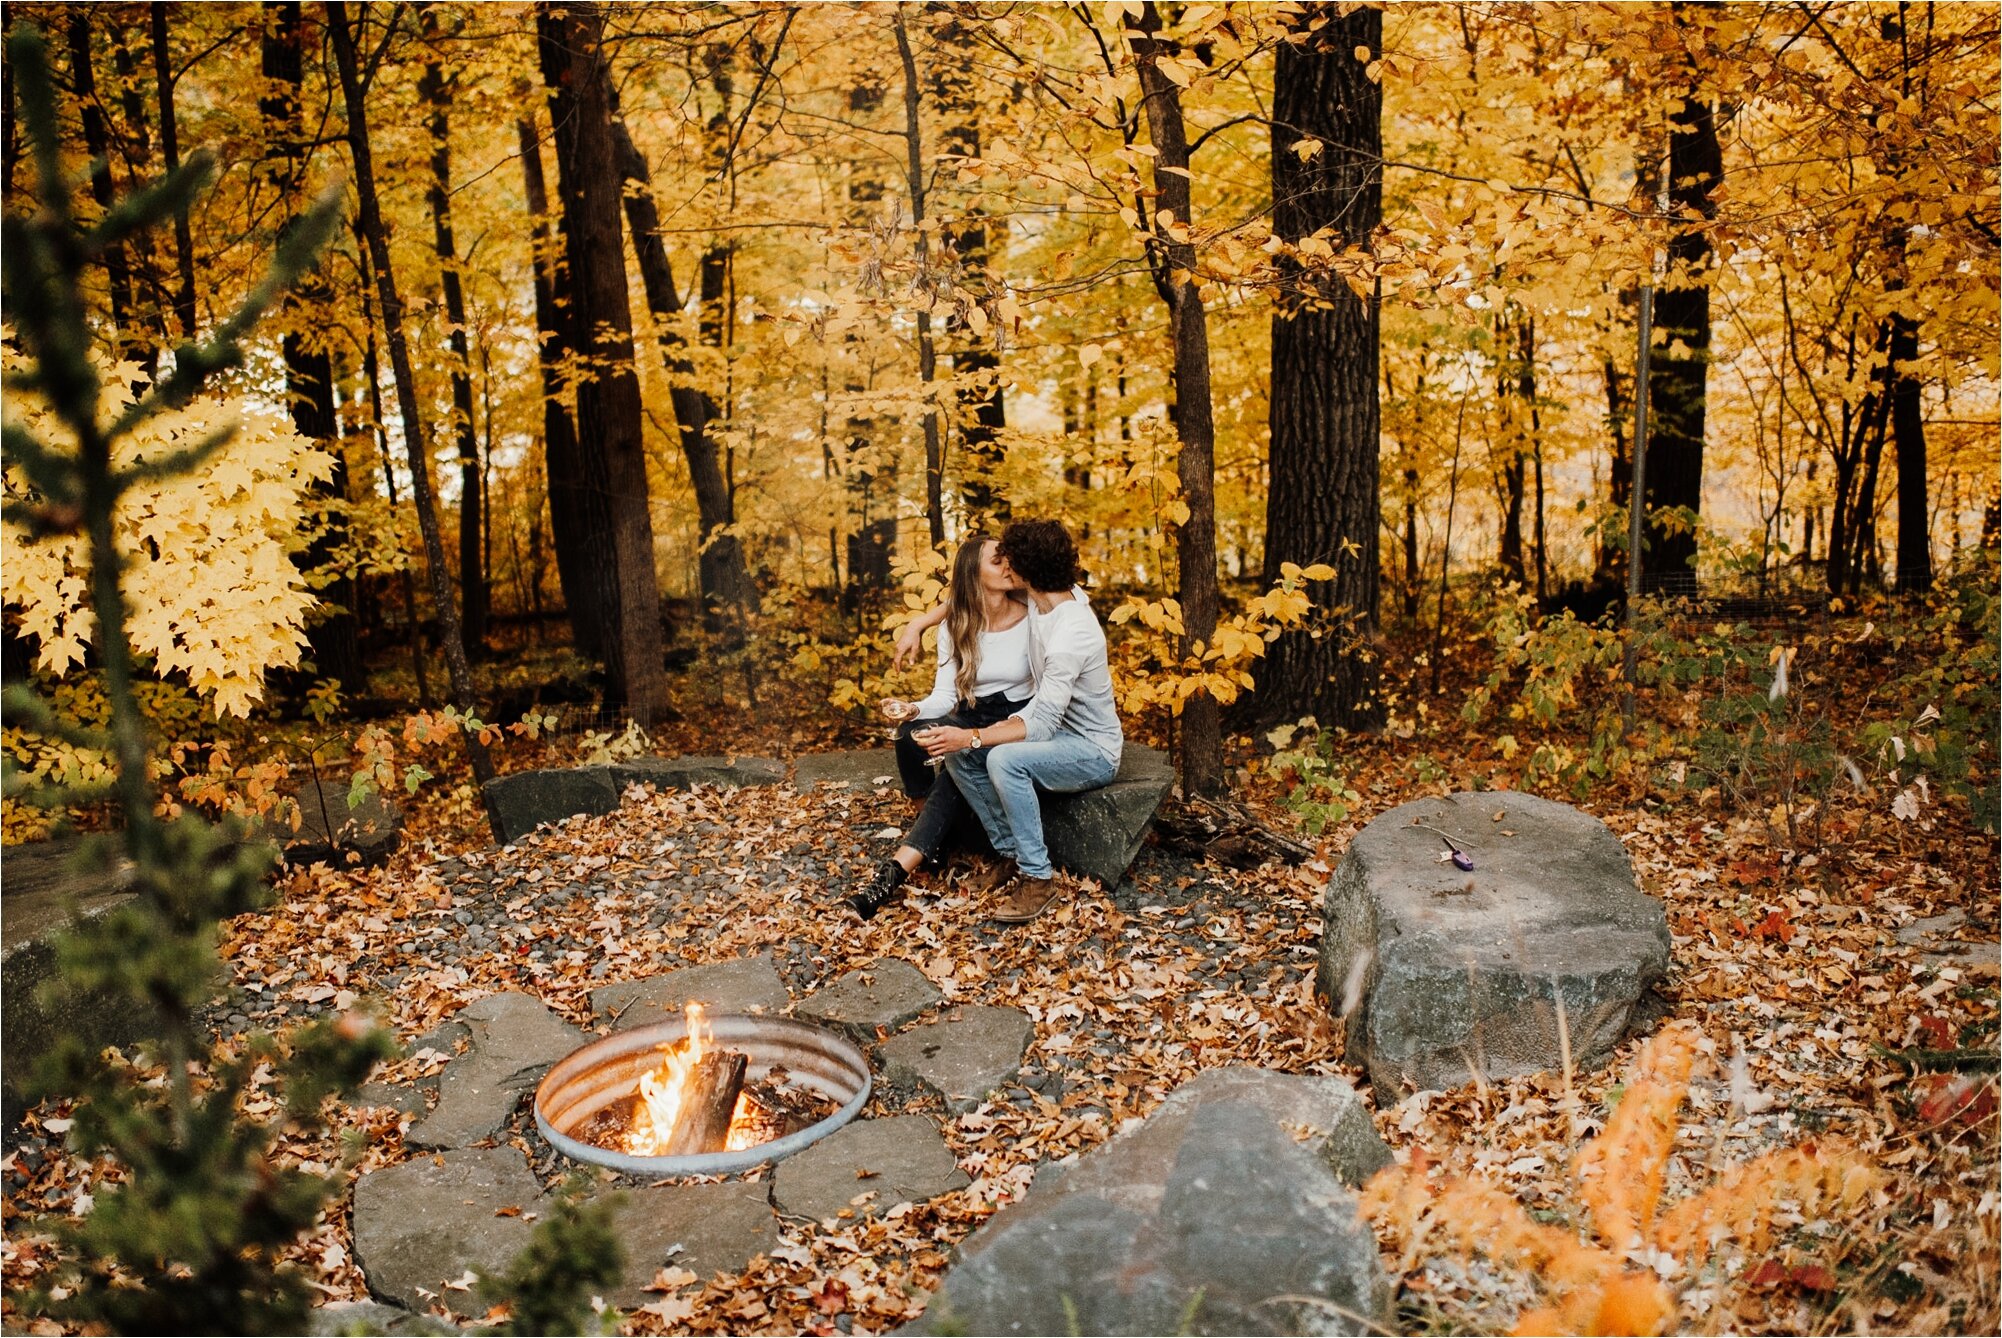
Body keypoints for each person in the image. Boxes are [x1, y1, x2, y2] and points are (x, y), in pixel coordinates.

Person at [904, 519, 1122, 923]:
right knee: (960, 755)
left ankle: (1038, 879)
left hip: (1091, 748)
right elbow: (969, 594)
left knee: (1000, 758)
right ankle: (1010, 854)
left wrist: (970, 736)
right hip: (1059, 730)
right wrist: (920, 622)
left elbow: (1040, 724)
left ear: (1024, 572)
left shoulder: (1070, 633)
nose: (1004, 567)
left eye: (1009, 561)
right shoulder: (1046, 597)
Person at [850, 535, 1033, 919]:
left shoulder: (1033, 613)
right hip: (970, 711)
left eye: (1008, 559)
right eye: (996, 561)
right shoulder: (958, 624)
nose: (1007, 566)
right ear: (973, 573)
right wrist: (912, 709)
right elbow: (943, 697)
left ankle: (893, 873)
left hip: (1016, 718)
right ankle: (931, 831)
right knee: (911, 736)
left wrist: (919, 619)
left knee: (956, 759)